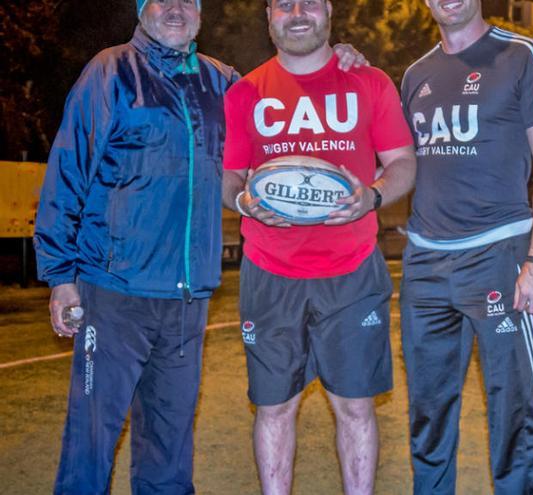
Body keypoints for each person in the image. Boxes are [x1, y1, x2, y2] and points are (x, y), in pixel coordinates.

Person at [34, 1, 366, 492]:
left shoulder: (222, 82)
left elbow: (288, 97)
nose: (176, 9)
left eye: (188, 0)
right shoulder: (110, 71)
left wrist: (329, 57)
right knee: (91, 440)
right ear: (142, 9)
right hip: (113, 290)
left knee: (169, 446)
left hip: (188, 297)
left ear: (200, 13)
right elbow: (68, 169)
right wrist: (61, 276)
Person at [220, 1, 416, 494]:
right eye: (285, 4)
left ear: (328, 10)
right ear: (269, 15)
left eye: (310, 1)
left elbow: (404, 163)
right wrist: (244, 202)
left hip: (350, 271)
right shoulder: (245, 92)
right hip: (269, 271)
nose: (298, 12)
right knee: (274, 407)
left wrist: (371, 195)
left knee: (354, 406)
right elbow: (229, 179)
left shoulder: (370, 82)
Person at [398, 0, 533, 493]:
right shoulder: (415, 74)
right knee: (427, 416)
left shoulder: (523, 55)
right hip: (426, 264)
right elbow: (398, 157)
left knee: (515, 416)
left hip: (500, 257)